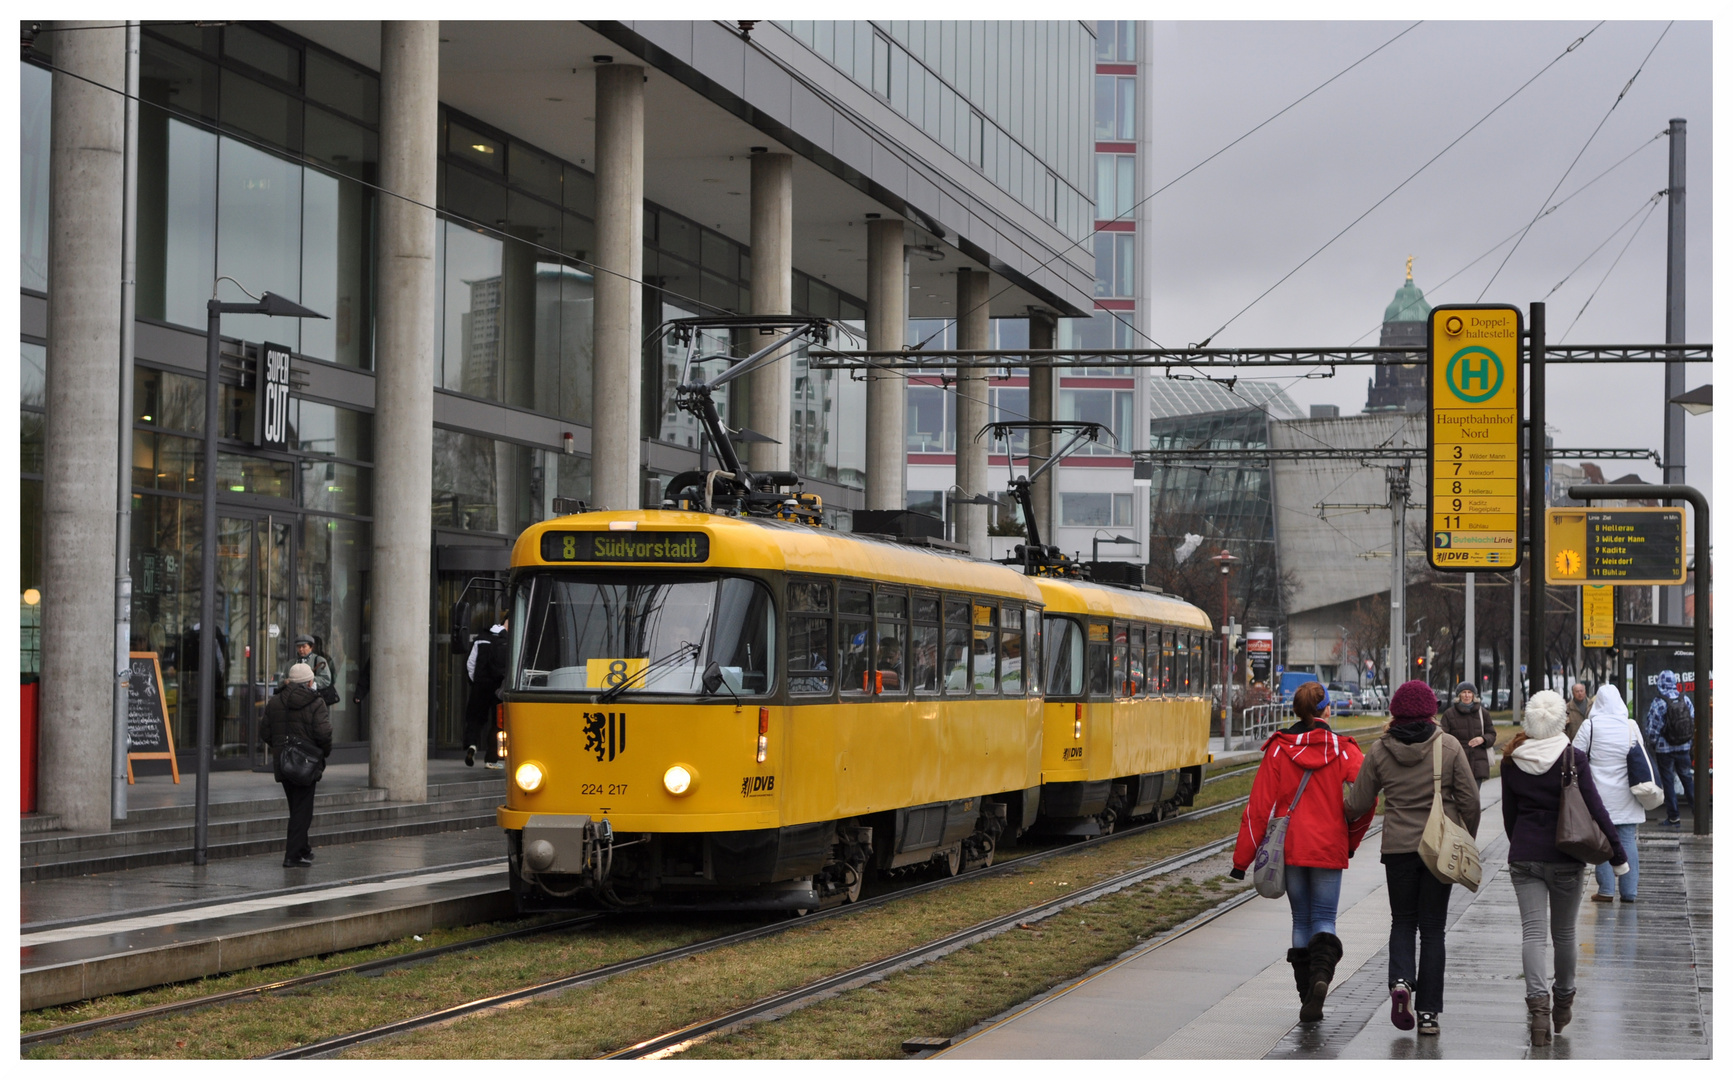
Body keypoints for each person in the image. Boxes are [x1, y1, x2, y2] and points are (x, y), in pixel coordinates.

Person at [1229, 682, 1375, 1022]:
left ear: (1296, 710)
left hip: (1289, 847)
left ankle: (1306, 995)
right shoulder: (1344, 749)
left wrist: (1241, 861)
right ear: (1327, 709)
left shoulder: (1279, 749)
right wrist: (1350, 834)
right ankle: (1322, 978)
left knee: (1301, 919)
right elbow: (1367, 796)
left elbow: (1258, 808)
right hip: (1328, 846)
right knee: (1325, 918)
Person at [1344, 679, 1480, 1039]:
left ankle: (1401, 980)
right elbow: (1471, 801)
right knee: (1433, 930)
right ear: (1431, 711)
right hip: (1439, 850)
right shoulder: (1448, 747)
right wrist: (1466, 836)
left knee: (1402, 921)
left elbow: (1357, 804)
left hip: (1398, 849)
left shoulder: (1379, 750)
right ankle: (1429, 1015)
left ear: (1395, 713)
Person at [1501, 690, 1628, 1046]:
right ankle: (1563, 1000)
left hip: (1524, 856)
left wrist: (1522, 845)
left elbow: (1509, 817)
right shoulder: (1572, 757)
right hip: (1566, 857)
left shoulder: (1512, 759)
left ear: (1529, 720)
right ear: (1563, 721)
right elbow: (1596, 807)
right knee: (1565, 934)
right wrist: (1616, 854)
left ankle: (1538, 1009)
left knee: (1532, 935)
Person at [1572, 684, 1644, 904]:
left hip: (1599, 796)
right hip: (1628, 796)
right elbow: (1639, 756)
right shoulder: (1631, 726)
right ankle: (1629, 891)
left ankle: (1606, 890)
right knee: (1627, 841)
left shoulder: (1589, 726)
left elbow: (1574, 755)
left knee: (1601, 842)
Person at [263, 662, 332, 868]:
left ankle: (303, 849)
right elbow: (324, 733)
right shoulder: (315, 702)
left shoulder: (275, 701)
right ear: (309, 682)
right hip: (306, 763)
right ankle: (292, 855)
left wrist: (281, 749)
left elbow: (265, 732)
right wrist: (321, 753)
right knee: (302, 811)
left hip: (284, 762)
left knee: (297, 808)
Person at [1642, 670, 1696, 826]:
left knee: (1668, 782)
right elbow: (1692, 721)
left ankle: (1674, 816)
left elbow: (1653, 728)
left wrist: (1653, 743)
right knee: (1687, 779)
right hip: (1683, 747)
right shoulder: (1685, 699)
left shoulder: (1658, 702)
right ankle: (1697, 812)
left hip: (1665, 750)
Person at [464, 616, 509, 769]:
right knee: (498, 724)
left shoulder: (481, 638)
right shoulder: (508, 640)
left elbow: (470, 663)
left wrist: (475, 681)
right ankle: (491, 759)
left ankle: (472, 745)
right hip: (498, 687)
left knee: (475, 719)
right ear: (508, 622)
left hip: (480, 685)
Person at [1439, 681, 1498, 788]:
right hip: (1457, 762)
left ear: (1474, 695)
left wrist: (1483, 739)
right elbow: (1443, 737)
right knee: (1459, 798)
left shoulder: (1483, 713)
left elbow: (1492, 734)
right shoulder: (1449, 714)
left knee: (1474, 799)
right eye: (1464, 692)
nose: (1467, 695)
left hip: (1478, 762)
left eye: (1470, 692)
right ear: (1459, 695)